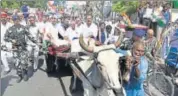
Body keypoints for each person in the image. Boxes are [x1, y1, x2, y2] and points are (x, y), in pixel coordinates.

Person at [4, 15, 37, 83]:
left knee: (24, 62)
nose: (16, 21)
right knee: (17, 63)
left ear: (19, 20)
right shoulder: (10, 29)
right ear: (12, 21)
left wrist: (36, 42)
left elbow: (30, 35)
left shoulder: (23, 28)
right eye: (14, 20)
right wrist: (11, 40)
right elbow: (5, 37)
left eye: (17, 20)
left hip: (23, 48)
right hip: (15, 49)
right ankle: (19, 76)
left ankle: (25, 74)